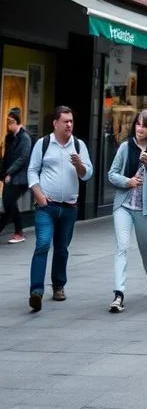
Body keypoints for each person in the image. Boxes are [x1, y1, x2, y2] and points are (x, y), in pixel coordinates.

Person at [26, 106, 93, 312]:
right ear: (55, 123)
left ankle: (58, 286)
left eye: (71, 121)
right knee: (43, 244)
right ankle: (36, 292)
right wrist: (38, 193)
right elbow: (32, 170)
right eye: (65, 121)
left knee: (62, 249)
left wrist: (79, 166)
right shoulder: (43, 143)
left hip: (69, 207)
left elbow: (87, 174)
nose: (69, 125)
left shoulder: (79, 145)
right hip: (47, 206)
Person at [107, 109, 147, 312]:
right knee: (122, 247)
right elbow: (112, 174)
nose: (140, 128)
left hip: (144, 208)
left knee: (145, 248)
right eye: (138, 124)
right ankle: (118, 294)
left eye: (145, 125)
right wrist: (128, 181)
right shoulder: (125, 147)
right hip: (123, 206)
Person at [0, 107, 32, 243]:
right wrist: (2, 174)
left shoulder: (25, 138)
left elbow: (23, 158)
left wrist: (9, 172)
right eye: (8, 121)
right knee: (8, 204)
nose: (9, 124)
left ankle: (19, 232)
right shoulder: (9, 138)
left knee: (10, 202)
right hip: (10, 177)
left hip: (21, 178)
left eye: (11, 121)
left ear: (18, 122)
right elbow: (6, 157)